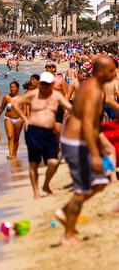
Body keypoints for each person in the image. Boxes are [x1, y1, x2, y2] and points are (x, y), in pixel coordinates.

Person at [58, 56, 115, 245]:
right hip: (77, 143)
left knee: (99, 183)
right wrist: (96, 155)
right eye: (111, 70)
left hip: (81, 141)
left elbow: (102, 109)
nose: (114, 73)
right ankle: (68, 235)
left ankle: (65, 213)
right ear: (100, 72)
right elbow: (89, 125)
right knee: (82, 190)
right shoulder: (92, 90)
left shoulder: (95, 87)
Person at [12, 72, 72, 199]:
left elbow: (70, 107)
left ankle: (46, 185)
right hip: (33, 132)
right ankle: (36, 192)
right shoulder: (33, 94)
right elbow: (16, 103)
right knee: (34, 163)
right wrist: (24, 118)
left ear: (51, 84)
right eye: (42, 83)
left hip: (49, 133)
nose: (44, 86)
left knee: (53, 162)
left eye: (46, 84)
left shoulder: (56, 96)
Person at [0, 81, 24, 159]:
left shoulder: (21, 98)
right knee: (10, 136)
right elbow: (2, 108)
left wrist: (24, 118)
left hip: (19, 119)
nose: (11, 88)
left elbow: (25, 108)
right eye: (11, 87)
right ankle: (10, 154)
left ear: (17, 88)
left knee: (16, 138)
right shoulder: (6, 97)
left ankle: (14, 154)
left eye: (13, 87)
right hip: (8, 118)